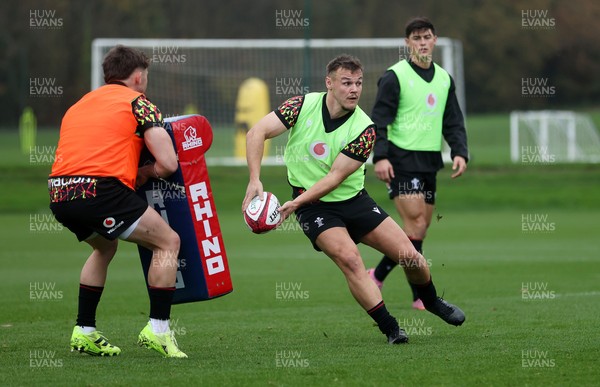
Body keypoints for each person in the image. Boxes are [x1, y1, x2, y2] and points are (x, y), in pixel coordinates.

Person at [242, 54, 465, 345]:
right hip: (314, 208)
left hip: (353, 201)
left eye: (358, 83)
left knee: (411, 256)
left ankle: (432, 300)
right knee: (350, 259)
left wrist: (294, 204)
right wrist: (255, 178)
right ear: (329, 83)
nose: (354, 89)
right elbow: (256, 132)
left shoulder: (365, 129)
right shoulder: (301, 105)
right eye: (346, 83)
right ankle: (391, 328)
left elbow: (335, 177)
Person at [49, 45, 187, 358]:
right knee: (168, 242)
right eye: (147, 75)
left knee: (105, 247)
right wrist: (145, 173)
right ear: (138, 76)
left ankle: (84, 331)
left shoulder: (80, 104)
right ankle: (159, 330)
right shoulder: (140, 103)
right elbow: (168, 164)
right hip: (101, 191)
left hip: (59, 192)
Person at [367, 17, 469, 311]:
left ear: (434, 40)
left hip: (429, 161)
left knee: (419, 229)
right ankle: (421, 297)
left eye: (427, 37)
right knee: (414, 222)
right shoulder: (394, 76)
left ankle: (377, 274)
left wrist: (460, 151)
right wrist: (381, 156)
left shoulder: (444, 79)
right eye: (416, 37)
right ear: (407, 43)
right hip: (400, 159)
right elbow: (380, 120)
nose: (422, 42)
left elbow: (453, 120)